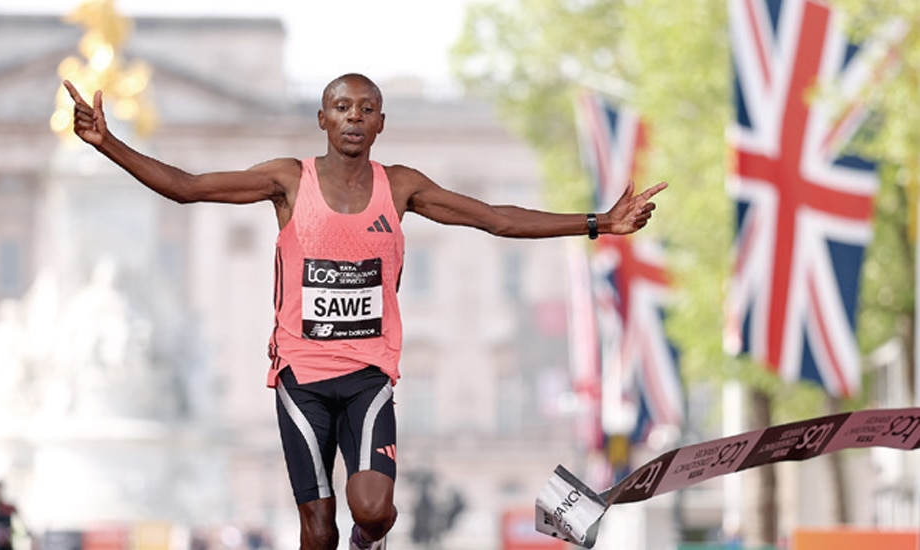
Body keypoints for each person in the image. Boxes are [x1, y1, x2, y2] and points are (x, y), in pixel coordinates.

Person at [62, 73, 666, 550]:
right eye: (342, 107)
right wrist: (108, 143)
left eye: (366, 108)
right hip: (301, 376)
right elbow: (187, 187)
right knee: (316, 529)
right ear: (322, 119)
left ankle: (367, 542)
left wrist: (598, 222)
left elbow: (494, 218)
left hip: (368, 375)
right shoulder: (288, 180)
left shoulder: (399, 186)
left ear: (380, 122)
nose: (354, 117)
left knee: (374, 512)